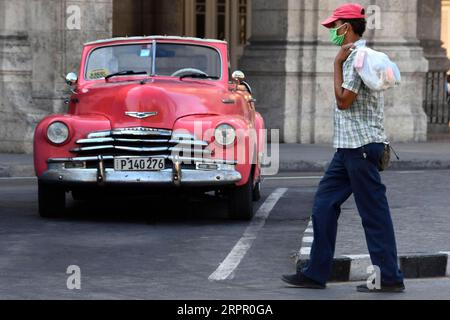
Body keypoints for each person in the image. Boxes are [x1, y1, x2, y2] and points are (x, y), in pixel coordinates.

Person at [281, 3, 405, 293]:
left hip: (361, 148)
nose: (332, 32)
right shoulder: (360, 55)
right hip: (348, 149)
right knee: (324, 205)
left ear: (346, 27)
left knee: (374, 214)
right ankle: (315, 273)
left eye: (334, 27)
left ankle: (389, 277)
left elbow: (343, 101)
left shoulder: (355, 58)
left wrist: (336, 64)